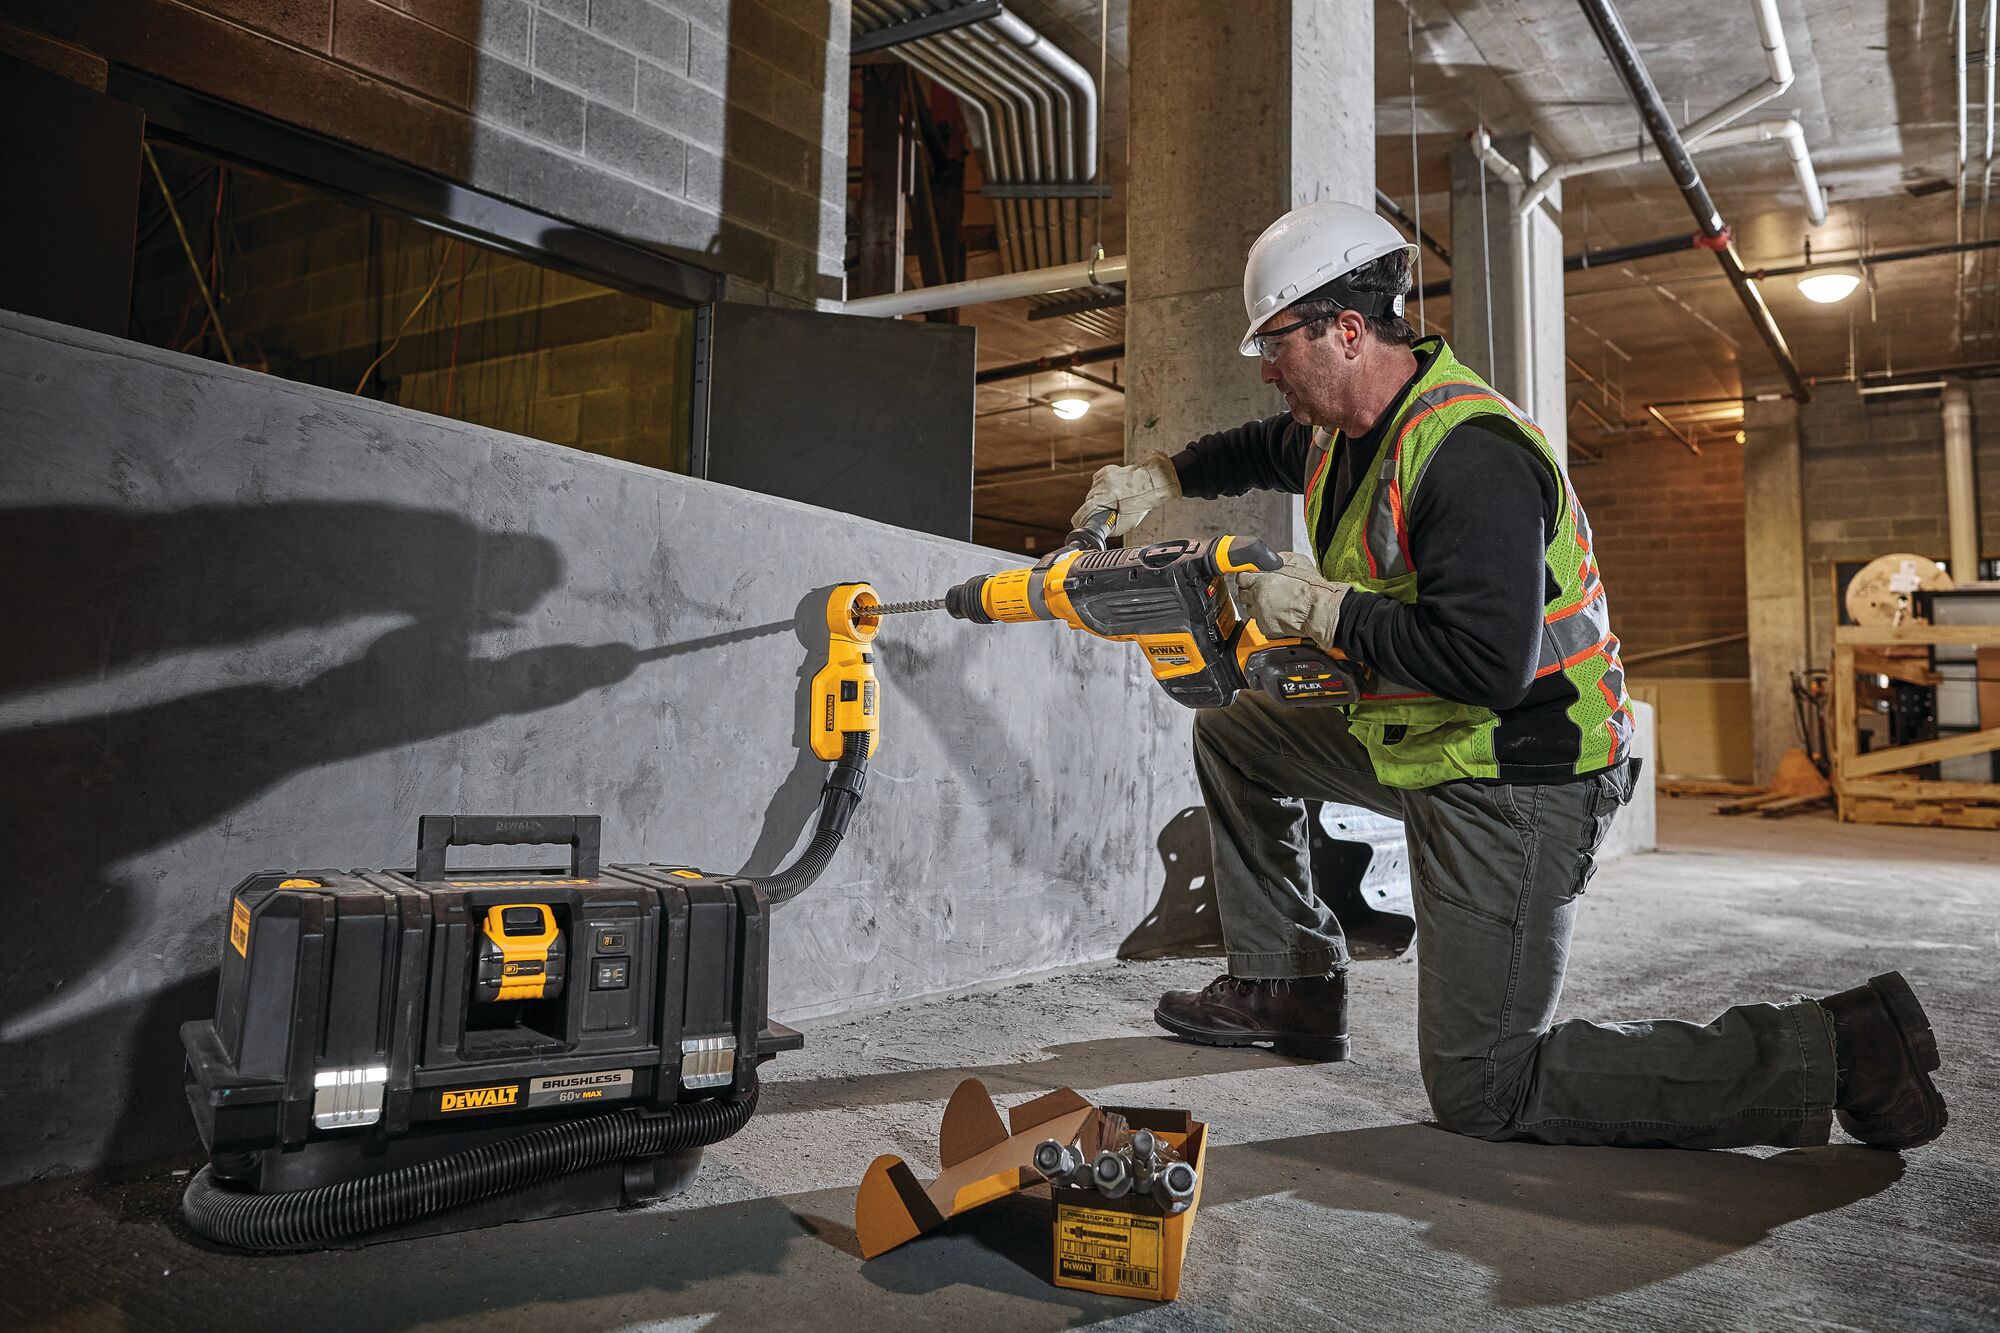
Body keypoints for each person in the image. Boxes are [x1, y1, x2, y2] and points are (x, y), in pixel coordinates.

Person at [1074, 199, 1949, 1151]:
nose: (1266, 365)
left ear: (1348, 330)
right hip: (1435, 743)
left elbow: (1486, 667)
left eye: (1274, 343)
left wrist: (1326, 611)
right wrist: (1160, 476)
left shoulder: (1469, 456)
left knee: (1487, 1085)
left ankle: (1838, 1049)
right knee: (1238, 728)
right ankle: (1288, 986)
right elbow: (1262, 448)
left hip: (1522, 775)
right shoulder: (1342, 425)